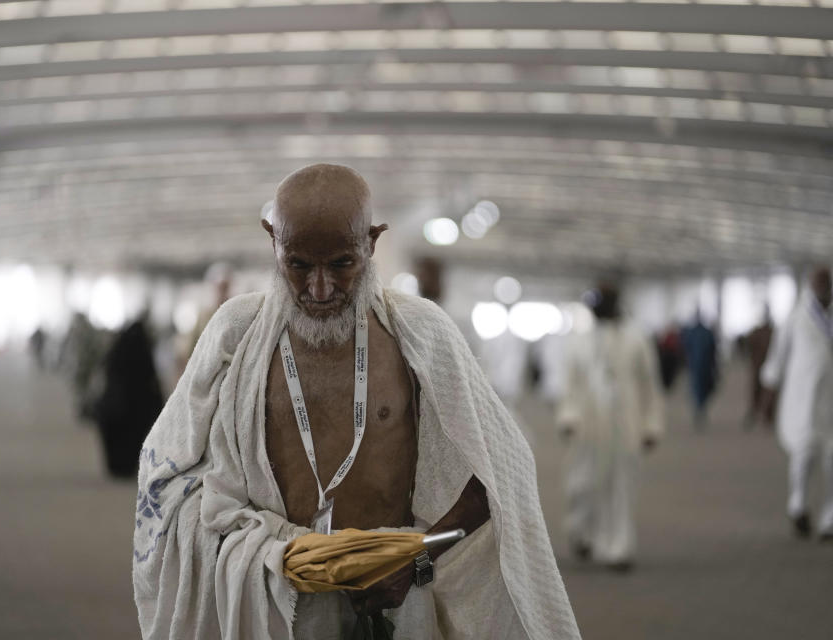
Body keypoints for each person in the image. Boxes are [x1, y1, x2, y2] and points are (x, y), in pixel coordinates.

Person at [133, 165, 580, 639]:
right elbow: (165, 473)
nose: (320, 289)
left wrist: (415, 560)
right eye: (299, 264)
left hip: (394, 597)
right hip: (274, 598)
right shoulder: (234, 334)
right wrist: (259, 551)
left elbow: (501, 471)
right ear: (273, 243)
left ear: (371, 243)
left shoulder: (421, 333)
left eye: (342, 264)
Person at [557, 284, 664, 571]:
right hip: (587, 427)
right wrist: (568, 417)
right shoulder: (579, 340)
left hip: (625, 425)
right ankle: (580, 531)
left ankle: (618, 549)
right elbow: (571, 384)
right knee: (583, 484)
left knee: (621, 485)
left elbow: (649, 385)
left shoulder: (636, 338)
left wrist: (651, 425)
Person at [761, 267, 833, 540]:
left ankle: (829, 521)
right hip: (803, 400)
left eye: (826, 282)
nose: (822, 287)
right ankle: (798, 505)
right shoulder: (795, 317)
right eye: (818, 282)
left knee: (832, 460)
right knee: (803, 456)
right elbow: (776, 359)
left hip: (830, 401)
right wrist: (767, 400)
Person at [95, 316, 163, 478]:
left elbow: (107, 370)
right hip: (137, 406)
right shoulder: (143, 351)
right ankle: (125, 466)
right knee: (132, 437)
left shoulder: (118, 350)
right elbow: (151, 378)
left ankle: (118, 467)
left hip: (117, 404)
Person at [680, 312, 718, 428]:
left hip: (698, 366)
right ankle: (700, 407)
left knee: (700, 387)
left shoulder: (695, 333)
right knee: (700, 388)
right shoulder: (704, 333)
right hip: (700, 366)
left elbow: (686, 348)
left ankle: (700, 406)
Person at [743, 308, 774, 431]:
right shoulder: (756, 333)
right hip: (758, 366)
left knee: (769, 392)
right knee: (756, 391)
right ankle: (754, 413)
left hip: (769, 367)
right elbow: (749, 347)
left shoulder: (773, 332)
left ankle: (768, 416)